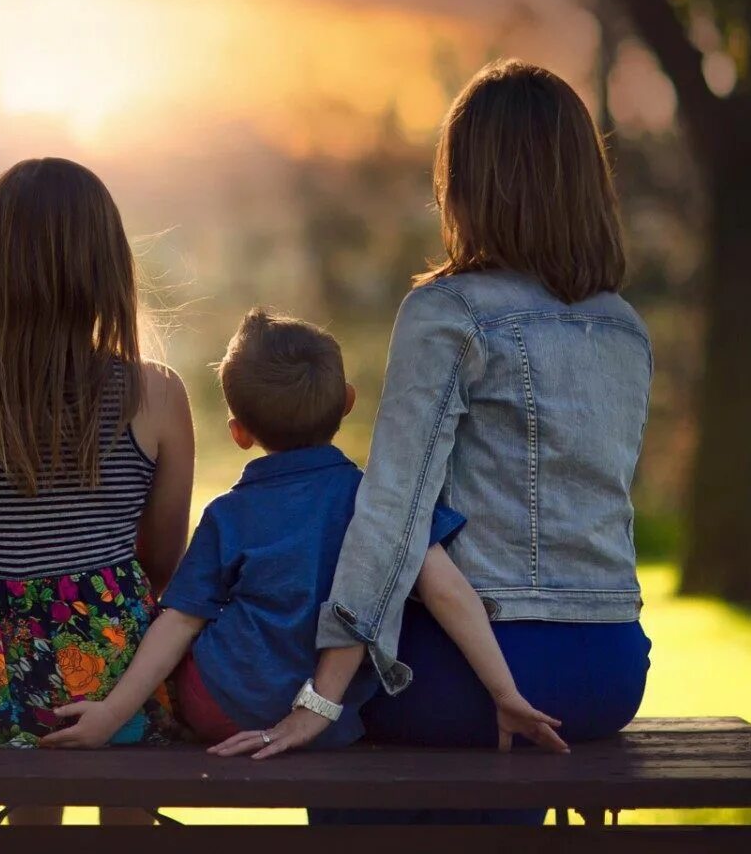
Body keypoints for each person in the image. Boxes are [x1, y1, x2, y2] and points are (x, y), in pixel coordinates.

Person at [218, 60, 653, 826]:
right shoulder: (624, 326)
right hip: (613, 671)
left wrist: (320, 700)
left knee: (348, 716)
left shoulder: (447, 312)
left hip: (482, 672)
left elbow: (393, 510)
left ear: (468, 183)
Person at [41, 308, 561, 756]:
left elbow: (180, 622)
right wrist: (505, 693)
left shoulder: (230, 514)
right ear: (348, 402)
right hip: (328, 720)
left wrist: (112, 713)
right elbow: (449, 591)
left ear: (239, 434)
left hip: (215, 705)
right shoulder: (379, 504)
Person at [0, 157, 195, 823]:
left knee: (32, 771)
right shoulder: (154, 391)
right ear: (105, 262)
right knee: (126, 704)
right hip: (108, 674)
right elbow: (162, 565)